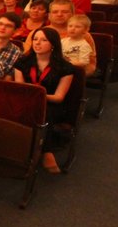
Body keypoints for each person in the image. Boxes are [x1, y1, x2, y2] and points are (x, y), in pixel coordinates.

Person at [13, 28, 75, 174]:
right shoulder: (22, 62)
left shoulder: (65, 67)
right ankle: (35, 149)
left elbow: (59, 97)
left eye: (43, 40)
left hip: (51, 104)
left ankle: (45, 151)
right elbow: (19, 88)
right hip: (26, 100)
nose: (37, 43)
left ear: (53, 44)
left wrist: (38, 95)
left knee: (43, 114)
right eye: (35, 39)